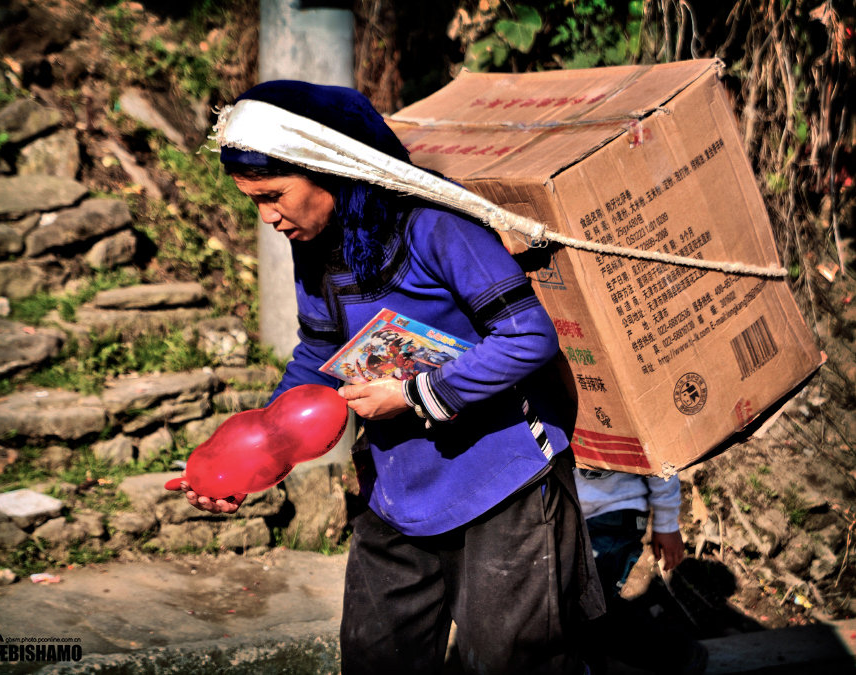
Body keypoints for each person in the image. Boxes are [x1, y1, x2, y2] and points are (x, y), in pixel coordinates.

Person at [174, 80, 605, 674]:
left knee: (512, 664)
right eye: (254, 201)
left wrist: (414, 395)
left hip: (503, 481)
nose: (268, 217)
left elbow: (528, 337)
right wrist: (256, 450)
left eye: (274, 195)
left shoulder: (436, 227)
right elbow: (323, 350)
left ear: (328, 167)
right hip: (396, 486)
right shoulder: (319, 245)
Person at [574, 469, 708, 674]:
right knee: (580, 601)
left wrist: (666, 523)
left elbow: (659, 457)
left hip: (617, 508)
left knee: (590, 599)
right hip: (571, 512)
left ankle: (677, 653)